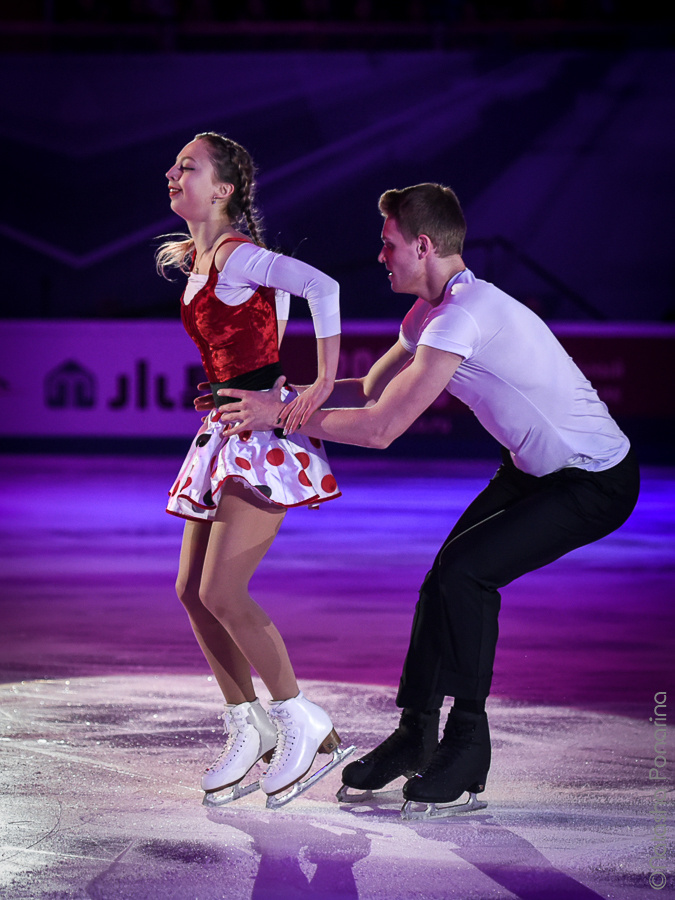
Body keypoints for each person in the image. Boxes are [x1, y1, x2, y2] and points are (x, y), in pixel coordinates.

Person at [208, 182, 641, 818]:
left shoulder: (464, 317)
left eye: (388, 246)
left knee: (467, 576)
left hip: (595, 478)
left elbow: (381, 427)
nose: (379, 257)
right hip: (533, 470)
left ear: (423, 244)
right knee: (443, 578)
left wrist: (284, 416)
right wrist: (291, 395)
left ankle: (467, 745)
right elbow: (371, 386)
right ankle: (416, 733)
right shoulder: (427, 316)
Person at [158, 131, 353, 808]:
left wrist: (318, 385)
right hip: (221, 433)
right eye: (175, 166)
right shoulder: (197, 260)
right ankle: (251, 724)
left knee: (222, 591)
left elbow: (321, 286)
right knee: (191, 590)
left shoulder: (241, 258)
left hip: (261, 442)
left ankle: (301, 717)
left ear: (224, 189)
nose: (172, 174)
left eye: (189, 167)